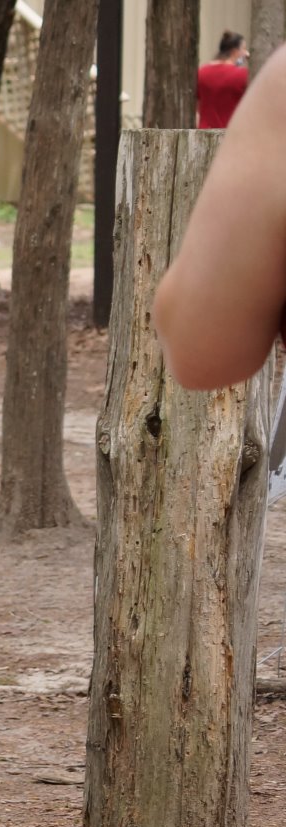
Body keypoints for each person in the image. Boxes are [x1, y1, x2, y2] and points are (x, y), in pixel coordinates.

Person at [154, 47, 286, 501]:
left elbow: (199, 346)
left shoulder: (274, 86)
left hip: (228, 149)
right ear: (238, 50)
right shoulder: (243, 76)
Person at [198, 31, 248, 130]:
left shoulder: (201, 72)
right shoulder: (243, 75)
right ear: (235, 52)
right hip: (231, 134)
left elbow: (197, 108)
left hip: (203, 134)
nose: (246, 53)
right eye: (244, 49)